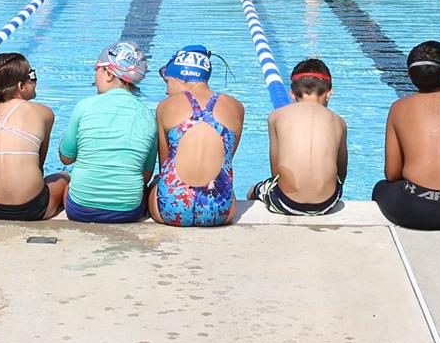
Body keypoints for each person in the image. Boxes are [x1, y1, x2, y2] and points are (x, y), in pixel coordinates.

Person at [373, 41, 440, 230]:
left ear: (410, 75)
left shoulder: (399, 109)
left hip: (415, 210)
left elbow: (392, 174)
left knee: (381, 188)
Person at [60, 41, 158, 223]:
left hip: (80, 210)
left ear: (108, 73)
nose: (94, 74)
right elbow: (146, 175)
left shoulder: (85, 106)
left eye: (96, 69)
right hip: (127, 212)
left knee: (65, 181)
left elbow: (66, 158)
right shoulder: (148, 116)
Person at [148, 45, 244, 227]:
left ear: (181, 77)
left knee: (154, 184)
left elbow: (165, 167)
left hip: (170, 210)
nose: (167, 90)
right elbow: (226, 161)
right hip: (219, 212)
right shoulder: (236, 107)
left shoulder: (165, 106)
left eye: (167, 81)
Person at [0, 52, 65, 221]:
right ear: (21, 86)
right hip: (33, 208)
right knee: (63, 178)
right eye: (32, 75)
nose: (35, 80)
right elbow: (38, 167)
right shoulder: (43, 113)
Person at [248, 58, 346, 216]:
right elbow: (341, 172)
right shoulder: (338, 121)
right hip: (327, 203)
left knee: (254, 190)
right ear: (329, 94)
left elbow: (276, 172)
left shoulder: (276, 116)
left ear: (292, 95)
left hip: (286, 202)